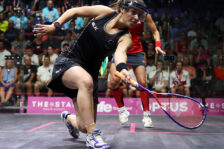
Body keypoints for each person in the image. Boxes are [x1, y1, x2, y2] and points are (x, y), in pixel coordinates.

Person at [33, 0, 148, 148]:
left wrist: (123, 69)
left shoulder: (126, 38)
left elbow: (120, 54)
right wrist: (55, 25)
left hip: (89, 75)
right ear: (122, 9)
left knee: (83, 125)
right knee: (86, 83)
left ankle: (68, 118)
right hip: (69, 61)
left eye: (140, 15)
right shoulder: (104, 12)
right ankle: (93, 136)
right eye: (134, 13)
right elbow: (73, 12)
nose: (137, 18)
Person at [108, 0, 165, 128]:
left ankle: (146, 115)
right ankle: (122, 110)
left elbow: (155, 31)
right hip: (120, 50)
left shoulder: (144, 15)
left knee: (142, 84)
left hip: (137, 51)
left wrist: (157, 45)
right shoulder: (119, 13)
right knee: (112, 83)